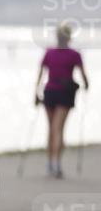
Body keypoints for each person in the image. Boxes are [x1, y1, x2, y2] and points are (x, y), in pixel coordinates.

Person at [35, 21, 90, 178]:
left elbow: (41, 72)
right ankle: (56, 163)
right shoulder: (74, 54)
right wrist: (86, 84)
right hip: (64, 93)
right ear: (69, 37)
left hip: (49, 91)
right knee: (58, 129)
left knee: (51, 128)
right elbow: (83, 74)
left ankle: (50, 163)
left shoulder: (49, 52)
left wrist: (36, 91)